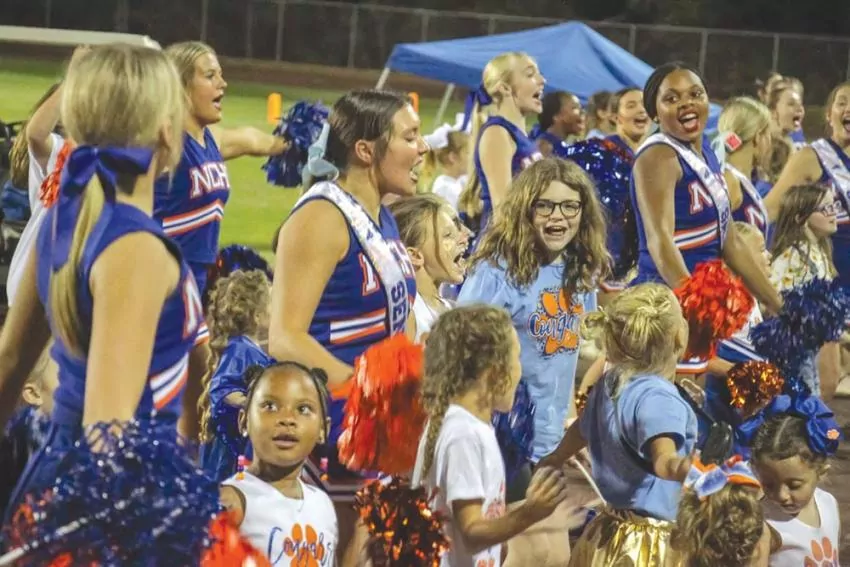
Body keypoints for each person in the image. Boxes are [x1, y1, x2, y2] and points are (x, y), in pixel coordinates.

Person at [0, 43, 204, 519]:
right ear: (166, 130)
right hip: (117, 506)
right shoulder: (136, 251)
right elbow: (107, 433)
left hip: (61, 485)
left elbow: (9, 363)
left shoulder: (65, 220)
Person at [269, 89, 422, 556]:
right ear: (365, 150)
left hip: (377, 430)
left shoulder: (380, 215)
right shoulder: (321, 216)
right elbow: (285, 338)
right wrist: (369, 396)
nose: (423, 148)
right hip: (333, 434)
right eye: (410, 137)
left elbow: (398, 319)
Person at [412, 305, 568, 567]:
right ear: (493, 372)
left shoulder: (462, 425)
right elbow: (472, 533)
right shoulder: (463, 435)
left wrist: (501, 544)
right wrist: (530, 512)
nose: (520, 371)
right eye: (516, 358)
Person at [156, 41, 289, 296]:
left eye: (220, 74)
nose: (222, 83)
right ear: (180, 86)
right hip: (161, 282)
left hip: (197, 283)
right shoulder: (164, 142)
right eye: (210, 76)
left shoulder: (211, 139)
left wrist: (297, 143)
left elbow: (253, 140)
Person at [221, 362, 337, 566]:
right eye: (270, 406)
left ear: (323, 429)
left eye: (303, 409)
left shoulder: (323, 504)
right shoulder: (232, 500)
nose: (287, 419)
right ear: (244, 421)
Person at [456, 51, 544, 232]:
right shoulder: (497, 133)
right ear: (505, 88)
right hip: (506, 244)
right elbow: (503, 212)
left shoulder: (520, 135)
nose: (542, 80)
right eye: (530, 75)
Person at [750, 395, 842, 566]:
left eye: (794, 485)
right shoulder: (764, 524)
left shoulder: (829, 504)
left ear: (820, 471)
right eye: (769, 485)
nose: (781, 495)